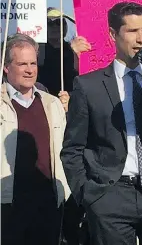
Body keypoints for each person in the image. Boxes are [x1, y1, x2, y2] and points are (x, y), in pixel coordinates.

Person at [61, 1, 142, 245]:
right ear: (113, 35)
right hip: (110, 194)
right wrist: (88, 195)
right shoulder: (88, 86)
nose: (141, 39)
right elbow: (72, 149)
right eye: (132, 31)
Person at [1, 34, 70, 245]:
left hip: (48, 202)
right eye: (22, 64)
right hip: (7, 204)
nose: (30, 70)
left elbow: (66, 149)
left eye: (33, 63)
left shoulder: (52, 104)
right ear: (6, 67)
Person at [38, 7, 91, 97]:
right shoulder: (38, 50)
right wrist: (71, 52)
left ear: (65, 26)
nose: (55, 27)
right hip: (47, 99)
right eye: (50, 23)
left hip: (72, 99)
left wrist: (76, 55)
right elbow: (49, 73)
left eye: (59, 22)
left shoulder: (74, 47)